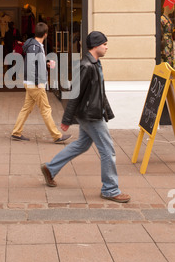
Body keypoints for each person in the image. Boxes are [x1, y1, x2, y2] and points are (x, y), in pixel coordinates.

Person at [40, 31, 131, 203]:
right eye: (104, 44)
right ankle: (110, 189)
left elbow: (99, 93)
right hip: (90, 116)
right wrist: (67, 120)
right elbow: (75, 94)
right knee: (108, 150)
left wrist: (107, 111)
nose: (106, 46)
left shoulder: (96, 63)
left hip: (93, 112)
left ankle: (50, 168)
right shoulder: (86, 66)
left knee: (82, 145)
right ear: (96, 46)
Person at [11, 22, 71, 144]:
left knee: (26, 108)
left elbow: (35, 63)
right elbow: (31, 66)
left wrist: (46, 63)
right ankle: (56, 136)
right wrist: (38, 82)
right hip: (35, 84)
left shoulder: (35, 45)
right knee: (46, 109)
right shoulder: (35, 47)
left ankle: (16, 132)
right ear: (45, 34)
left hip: (31, 83)